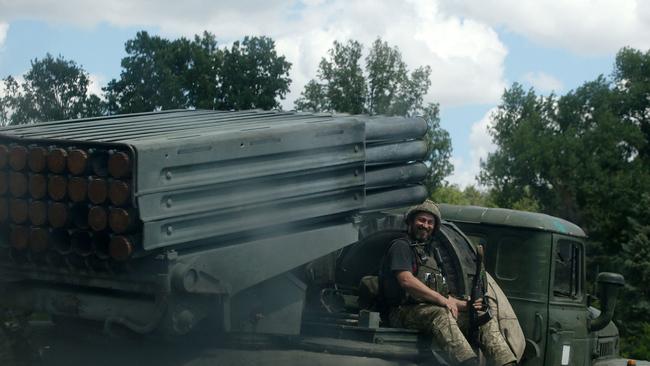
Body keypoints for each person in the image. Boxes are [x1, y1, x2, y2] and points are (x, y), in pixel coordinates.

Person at [379, 200, 516, 366]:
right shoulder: (401, 246)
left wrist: (469, 306)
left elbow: (446, 297)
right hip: (402, 312)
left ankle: (506, 363)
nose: (425, 225)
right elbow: (406, 280)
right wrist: (442, 300)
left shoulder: (431, 255)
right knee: (440, 313)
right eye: (421, 220)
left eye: (430, 222)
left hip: (428, 310)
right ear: (411, 222)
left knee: (480, 317)